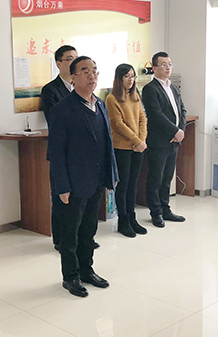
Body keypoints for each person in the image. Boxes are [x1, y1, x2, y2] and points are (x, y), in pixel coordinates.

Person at [48, 56, 118, 297]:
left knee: (89, 231)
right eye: (85, 71)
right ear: (73, 77)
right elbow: (56, 152)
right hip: (73, 182)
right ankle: (71, 277)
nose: (91, 75)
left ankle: (87, 270)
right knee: (70, 234)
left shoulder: (100, 105)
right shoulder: (62, 109)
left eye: (95, 71)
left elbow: (108, 142)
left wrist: (112, 174)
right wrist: (61, 186)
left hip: (96, 179)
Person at [41, 45, 100, 250]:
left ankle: (84, 242)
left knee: (85, 208)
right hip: (66, 155)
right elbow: (55, 123)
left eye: (75, 57)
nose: (73, 61)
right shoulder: (51, 90)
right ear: (59, 64)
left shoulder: (95, 99)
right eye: (69, 59)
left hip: (87, 162)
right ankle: (61, 240)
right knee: (63, 202)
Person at [142, 51, 187, 228]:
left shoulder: (173, 87)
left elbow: (182, 110)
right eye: (163, 64)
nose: (168, 67)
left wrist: (180, 130)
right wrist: (174, 131)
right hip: (159, 141)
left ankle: (165, 209)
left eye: (169, 64)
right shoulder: (150, 89)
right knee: (156, 178)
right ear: (154, 68)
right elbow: (156, 115)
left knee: (167, 177)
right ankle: (156, 212)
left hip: (174, 140)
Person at [106, 64, 148, 237]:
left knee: (133, 185)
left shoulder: (135, 95)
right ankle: (123, 221)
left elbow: (142, 119)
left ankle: (132, 219)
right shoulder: (112, 98)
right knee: (123, 186)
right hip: (122, 148)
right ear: (119, 79)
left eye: (132, 76)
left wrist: (142, 141)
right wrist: (137, 141)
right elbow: (118, 124)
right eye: (126, 76)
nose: (130, 80)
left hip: (138, 148)